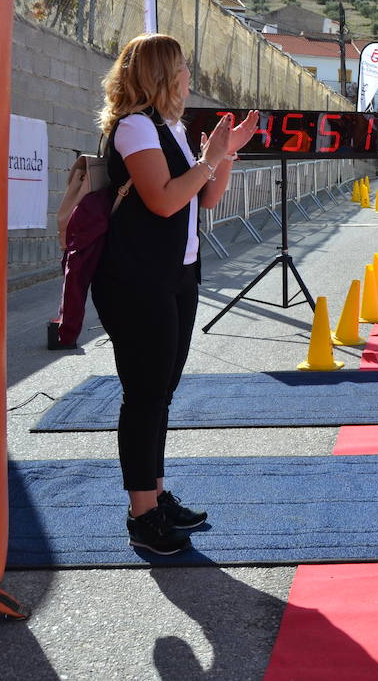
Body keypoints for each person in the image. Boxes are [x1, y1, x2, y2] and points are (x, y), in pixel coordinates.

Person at [91, 33, 257, 554]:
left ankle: (155, 498)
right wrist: (209, 159)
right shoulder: (135, 127)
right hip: (136, 281)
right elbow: (164, 202)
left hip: (177, 276)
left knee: (159, 394)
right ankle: (143, 514)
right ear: (162, 75)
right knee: (143, 396)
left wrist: (224, 154)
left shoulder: (173, 128)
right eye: (182, 66)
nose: (189, 74)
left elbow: (206, 197)